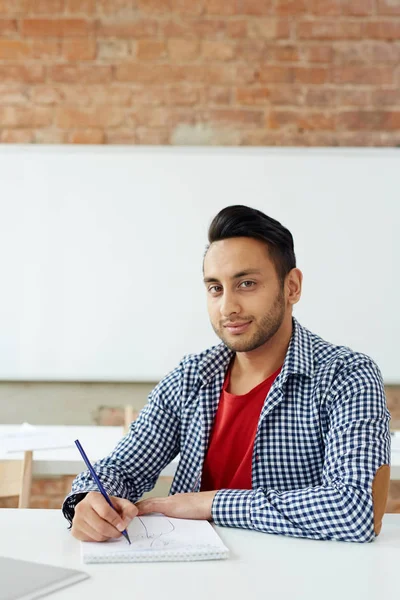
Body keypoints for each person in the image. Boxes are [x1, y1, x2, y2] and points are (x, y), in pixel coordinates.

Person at [63, 205, 391, 543]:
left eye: (246, 283)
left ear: (291, 287)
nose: (227, 307)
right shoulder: (191, 377)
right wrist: (89, 501)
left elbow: (356, 509)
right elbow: (122, 467)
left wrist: (212, 503)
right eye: (215, 288)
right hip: (194, 574)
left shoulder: (346, 376)